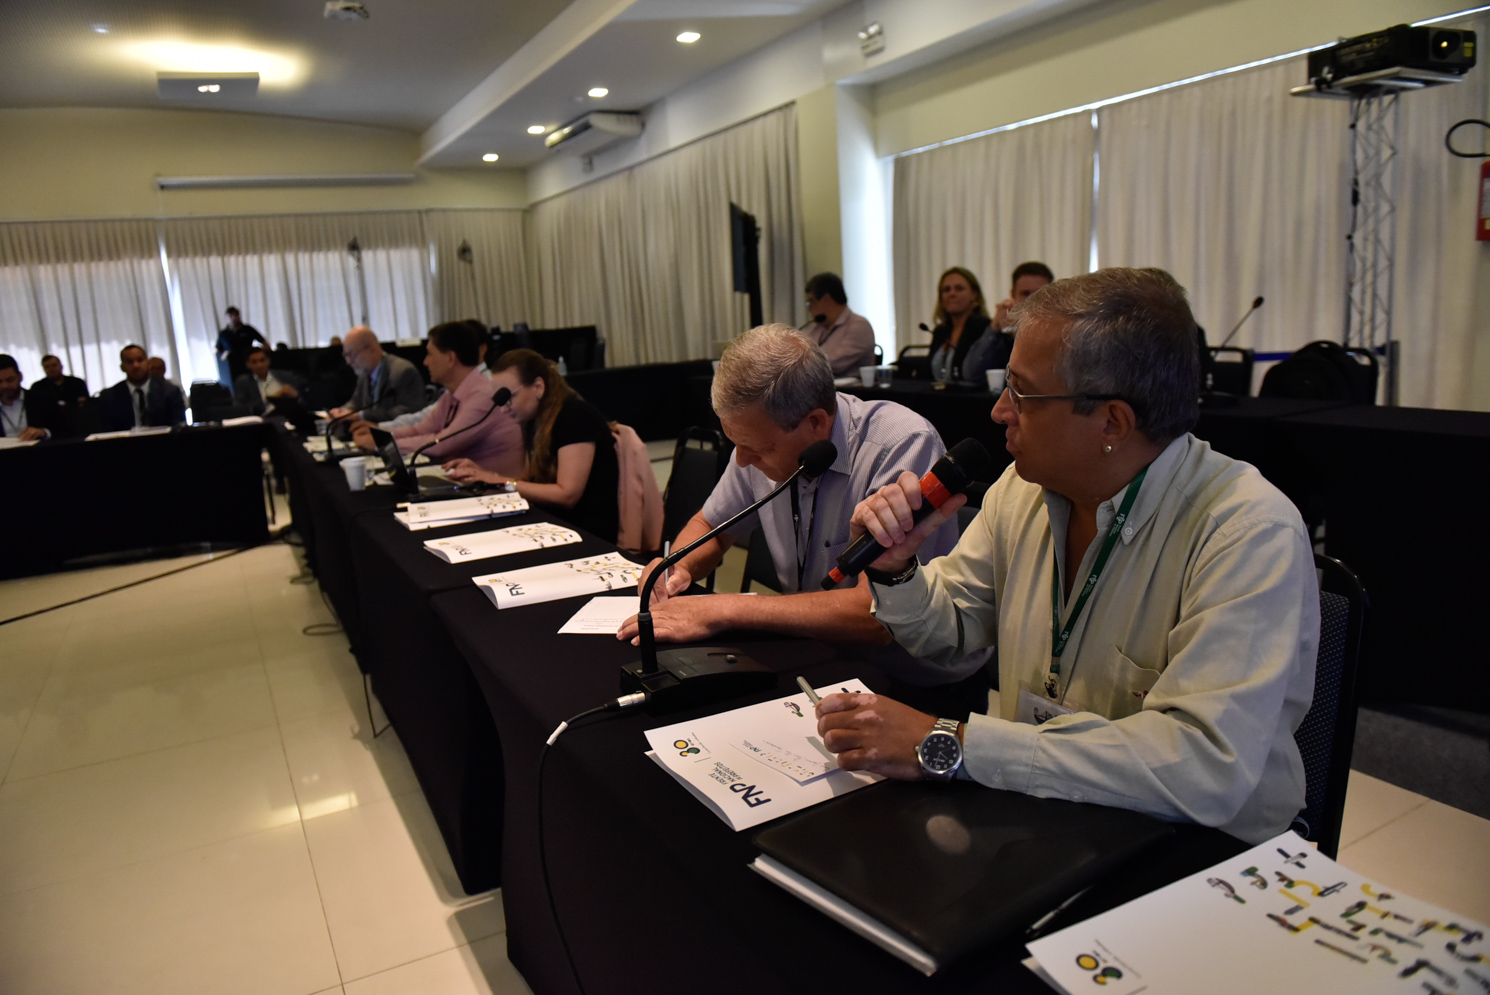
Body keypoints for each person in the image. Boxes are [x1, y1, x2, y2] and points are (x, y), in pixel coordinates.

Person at [816, 268, 1318, 845]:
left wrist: (953, 741)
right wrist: (896, 570)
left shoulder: (1247, 531)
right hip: (1050, 815)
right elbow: (950, 630)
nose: (999, 411)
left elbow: (1201, 767)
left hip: (1200, 850)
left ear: (1112, 422)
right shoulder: (1022, 489)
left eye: (1021, 393)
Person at [616, 324, 992, 714]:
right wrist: (676, 568)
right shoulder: (758, 441)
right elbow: (710, 526)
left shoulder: (901, 445)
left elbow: (877, 617)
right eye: (736, 444)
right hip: (821, 656)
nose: (742, 460)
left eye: (757, 448)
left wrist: (720, 610)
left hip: (918, 685)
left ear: (815, 423)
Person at [443, 348, 620, 542]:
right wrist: (485, 476)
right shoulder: (534, 420)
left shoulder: (576, 416)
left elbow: (567, 495)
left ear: (538, 387)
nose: (503, 410)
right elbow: (531, 482)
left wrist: (497, 481)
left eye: (509, 398)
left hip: (585, 535)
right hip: (553, 525)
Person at [351, 323, 523, 476]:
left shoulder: (483, 395)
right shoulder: (453, 393)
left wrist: (384, 445)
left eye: (430, 354)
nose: (425, 362)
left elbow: (442, 444)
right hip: (470, 484)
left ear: (450, 358)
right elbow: (421, 429)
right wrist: (381, 436)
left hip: (497, 491)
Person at [961, 262, 1054, 386]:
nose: (1032, 300)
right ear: (1013, 295)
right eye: (1025, 293)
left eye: (1039, 294)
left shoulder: (1062, 329)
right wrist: (995, 327)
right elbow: (971, 374)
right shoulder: (1006, 329)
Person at [329, 325, 424, 425]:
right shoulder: (364, 373)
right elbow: (355, 403)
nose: (349, 361)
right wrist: (342, 411)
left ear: (372, 349)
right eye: (346, 355)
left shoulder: (403, 371)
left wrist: (361, 415)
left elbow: (408, 412)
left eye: (352, 354)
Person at [925, 267, 993, 384]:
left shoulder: (983, 327)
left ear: (974, 295)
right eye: (946, 290)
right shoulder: (940, 331)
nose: (952, 294)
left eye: (959, 288)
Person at [802, 273, 877, 377]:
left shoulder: (859, 326)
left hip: (848, 386)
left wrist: (800, 364)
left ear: (826, 299)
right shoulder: (817, 326)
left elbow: (834, 363)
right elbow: (800, 352)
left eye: (811, 301)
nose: (809, 308)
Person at [98, 344, 187, 430]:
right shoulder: (109, 397)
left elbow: (178, 427)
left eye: (140, 360)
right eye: (130, 362)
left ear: (148, 363)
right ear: (122, 367)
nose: (136, 366)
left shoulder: (169, 391)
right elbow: (106, 431)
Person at [25, 354, 89, 439]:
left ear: (61, 366)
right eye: (47, 367)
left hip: (78, 423)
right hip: (50, 427)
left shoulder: (77, 382)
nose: (51, 369)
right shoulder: (38, 387)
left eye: (54, 365)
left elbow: (86, 404)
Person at [233, 346, 303, 416]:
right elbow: (241, 407)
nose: (259, 365)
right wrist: (273, 398)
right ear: (248, 364)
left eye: (262, 360)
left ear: (268, 361)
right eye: (254, 362)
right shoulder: (243, 382)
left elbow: (303, 400)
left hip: (288, 415)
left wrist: (296, 395)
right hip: (263, 418)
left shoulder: (286, 376)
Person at [0, 355, 49, 441]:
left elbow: (63, 430)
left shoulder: (42, 399)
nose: (5, 386)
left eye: (10, 380)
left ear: (20, 377)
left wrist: (43, 432)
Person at [215, 307, 268, 383]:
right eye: (231, 316)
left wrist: (265, 355)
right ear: (226, 318)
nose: (234, 318)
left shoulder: (248, 329)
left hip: (248, 363)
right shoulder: (223, 334)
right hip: (231, 366)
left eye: (236, 315)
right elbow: (218, 351)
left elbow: (264, 343)